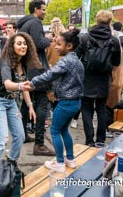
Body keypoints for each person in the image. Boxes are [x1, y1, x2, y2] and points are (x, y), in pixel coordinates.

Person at [29, 29, 84, 172]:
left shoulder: (65, 61)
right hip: (76, 102)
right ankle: (70, 159)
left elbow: (50, 75)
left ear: (69, 46)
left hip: (66, 102)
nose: (56, 47)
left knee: (54, 130)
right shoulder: (76, 60)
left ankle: (59, 163)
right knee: (64, 130)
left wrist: (33, 82)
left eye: (59, 44)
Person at [0, 32, 38, 162]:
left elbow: (24, 86)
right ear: (12, 46)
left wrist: (30, 106)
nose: (23, 46)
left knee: (20, 136)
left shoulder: (23, 63)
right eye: (19, 43)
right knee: (1, 141)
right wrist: (22, 86)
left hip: (11, 103)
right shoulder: (6, 62)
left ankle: (10, 164)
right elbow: (8, 85)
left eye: (25, 43)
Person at [75, 10, 121, 146]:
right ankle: (100, 140)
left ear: (96, 20)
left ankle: (89, 140)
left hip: (87, 78)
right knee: (101, 109)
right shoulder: (113, 40)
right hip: (103, 78)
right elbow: (117, 62)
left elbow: (76, 56)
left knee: (86, 109)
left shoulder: (85, 37)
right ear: (109, 21)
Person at [17, 0, 55, 156]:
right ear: (36, 10)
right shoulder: (35, 22)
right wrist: (50, 39)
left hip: (28, 68)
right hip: (37, 68)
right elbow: (39, 43)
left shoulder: (24, 24)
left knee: (27, 104)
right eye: (43, 10)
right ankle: (39, 144)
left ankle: (23, 135)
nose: (45, 12)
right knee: (42, 103)